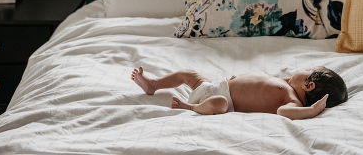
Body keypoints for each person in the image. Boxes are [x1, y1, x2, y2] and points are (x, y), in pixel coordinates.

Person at [131, 65, 347, 120]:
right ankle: (154, 84)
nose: (302, 70)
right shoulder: (287, 84)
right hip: (215, 85)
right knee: (188, 74)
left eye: (307, 71)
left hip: (218, 98)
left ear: (308, 86)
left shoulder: (292, 101)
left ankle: (193, 107)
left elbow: (283, 112)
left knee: (219, 105)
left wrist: (311, 110)